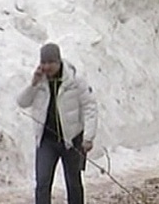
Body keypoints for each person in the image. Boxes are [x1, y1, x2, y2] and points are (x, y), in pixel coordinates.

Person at [17, 43, 98, 204]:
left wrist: (88, 137)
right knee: (42, 182)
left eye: (50, 62)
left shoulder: (75, 81)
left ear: (58, 61)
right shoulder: (39, 82)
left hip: (71, 140)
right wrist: (33, 83)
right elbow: (22, 102)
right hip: (46, 141)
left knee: (73, 182)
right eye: (44, 62)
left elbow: (90, 107)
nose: (47, 67)